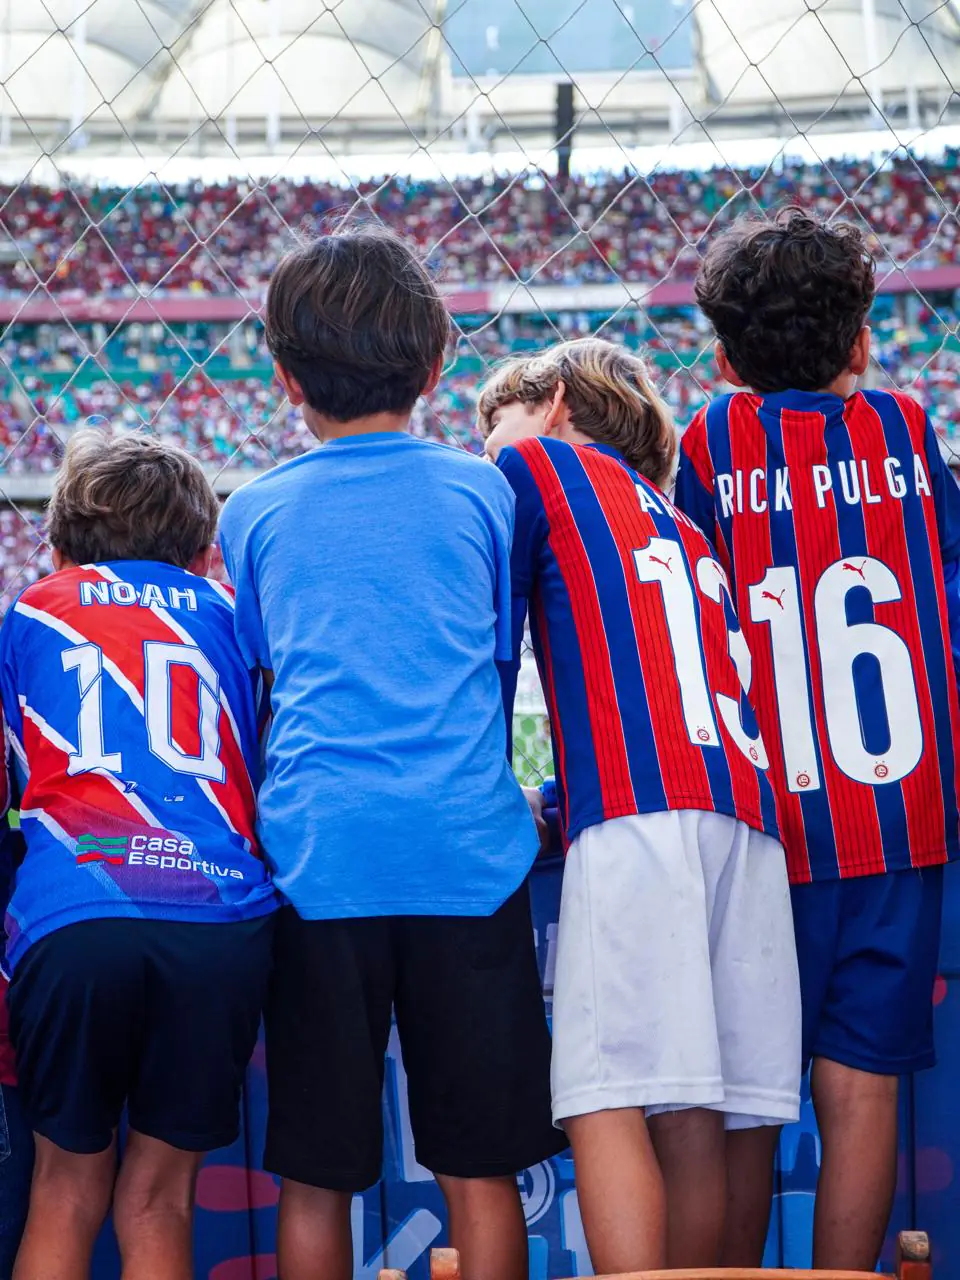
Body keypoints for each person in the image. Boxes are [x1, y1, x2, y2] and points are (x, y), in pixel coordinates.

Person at [219, 225, 564, 1280]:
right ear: (435, 364)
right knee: (482, 1169)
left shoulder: (254, 512)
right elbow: (493, 658)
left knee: (317, 1175)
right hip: (467, 855)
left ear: (284, 378)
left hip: (322, 861)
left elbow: (267, 672)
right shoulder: (483, 492)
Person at [673, 205, 960, 1272]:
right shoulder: (906, 428)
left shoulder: (711, 442)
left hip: (767, 815)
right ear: (862, 342)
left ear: (723, 358)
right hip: (899, 810)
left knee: (750, 1095)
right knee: (861, 1085)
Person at [477, 338, 801, 1275]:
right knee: (691, 1108)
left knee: (605, 1098)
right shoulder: (680, 522)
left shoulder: (537, 465)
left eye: (493, 425)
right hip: (741, 812)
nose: (484, 449)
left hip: (639, 816)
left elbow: (490, 648)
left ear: (554, 404)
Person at [1, 430, 277, 1280]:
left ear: (56, 550)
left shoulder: (29, 611)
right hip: (219, 914)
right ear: (203, 554)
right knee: (159, 1199)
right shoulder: (233, 615)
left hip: (74, 910)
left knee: (63, 1190)